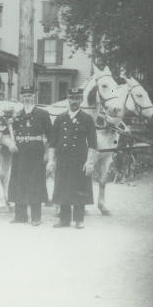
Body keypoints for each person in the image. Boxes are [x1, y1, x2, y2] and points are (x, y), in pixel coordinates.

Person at [47, 88, 98, 229]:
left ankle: (79, 219)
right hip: (63, 160)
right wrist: (51, 160)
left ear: (81, 100)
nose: (74, 101)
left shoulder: (87, 119)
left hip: (80, 160)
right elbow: (52, 143)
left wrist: (90, 162)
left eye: (77, 98)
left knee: (79, 188)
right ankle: (64, 220)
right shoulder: (60, 118)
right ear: (68, 99)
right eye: (71, 98)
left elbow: (93, 144)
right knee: (62, 188)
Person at [7, 85, 53, 226]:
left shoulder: (43, 114)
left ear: (34, 97)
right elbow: (4, 135)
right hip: (20, 153)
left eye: (30, 95)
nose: (27, 98)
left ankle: (36, 217)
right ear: (21, 97)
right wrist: (10, 144)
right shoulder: (15, 115)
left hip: (36, 152)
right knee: (19, 181)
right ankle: (20, 216)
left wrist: (47, 154)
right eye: (25, 96)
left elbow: (51, 137)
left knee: (36, 183)